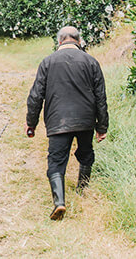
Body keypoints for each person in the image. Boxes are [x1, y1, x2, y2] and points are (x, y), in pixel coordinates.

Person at [25, 25, 109, 220]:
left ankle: (59, 202)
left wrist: (31, 123)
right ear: (78, 41)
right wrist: (102, 126)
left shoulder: (48, 62)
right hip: (86, 120)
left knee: (56, 160)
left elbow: (35, 96)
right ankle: (83, 189)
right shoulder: (91, 62)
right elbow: (101, 98)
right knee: (86, 154)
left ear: (59, 41)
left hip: (57, 120)